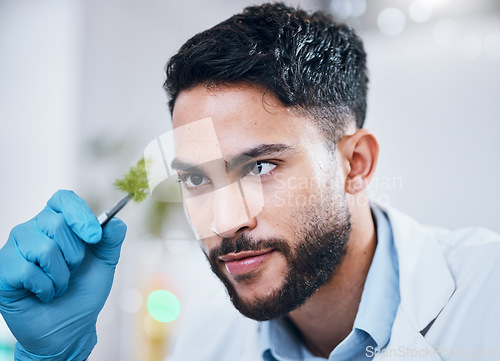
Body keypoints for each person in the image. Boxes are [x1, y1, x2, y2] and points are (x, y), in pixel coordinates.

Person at [1, 3, 499, 361]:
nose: (226, 221)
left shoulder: (487, 298)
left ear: (356, 164)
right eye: (197, 178)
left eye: (260, 167)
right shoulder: (203, 345)